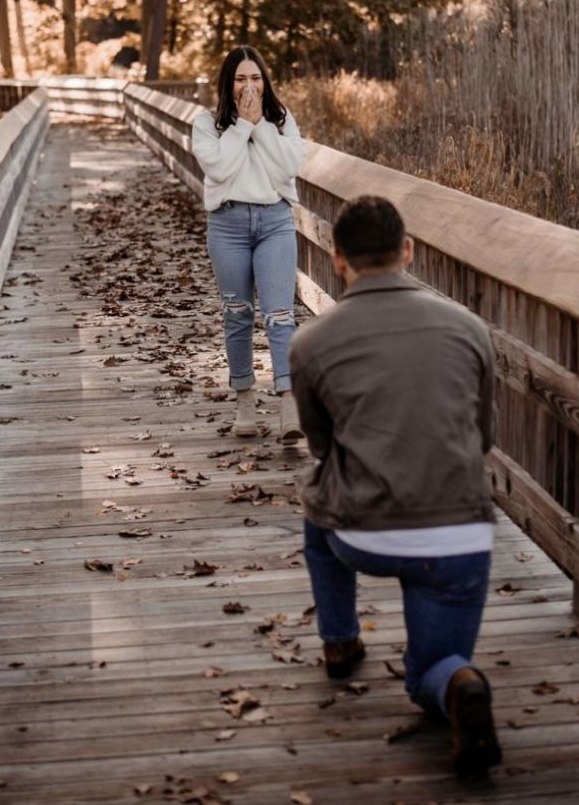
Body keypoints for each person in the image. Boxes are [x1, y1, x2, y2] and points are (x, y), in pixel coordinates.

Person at [289, 195, 502, 777]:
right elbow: (481, 437)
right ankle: (458, 682)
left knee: (315, 502)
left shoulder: (310, 343)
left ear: (338, 261)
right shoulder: (470, 327)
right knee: (432, 667)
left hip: (365, 534)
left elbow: (322, 448)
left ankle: (340, 641)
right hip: (459, 538)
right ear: (407, 250)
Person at [192, 45, 307, 441]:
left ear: (266, 79)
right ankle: (244, 401)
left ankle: (288, 401)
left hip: (274, 221)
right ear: (228, 82)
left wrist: (261, 127)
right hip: (228, 224)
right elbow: (221, 168)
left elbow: (289, 167)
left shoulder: (282, 119)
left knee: (280, 315)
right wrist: (242, 125)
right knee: (237, 313)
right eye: (240, 78)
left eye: (255, 77)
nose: (249, 86)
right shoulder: (207, 123)